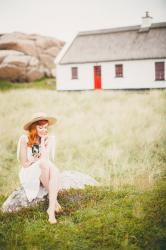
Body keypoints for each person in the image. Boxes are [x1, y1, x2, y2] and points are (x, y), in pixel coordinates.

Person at [17, 111, 63, 224]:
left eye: (46, 127)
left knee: (53, 168)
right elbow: (25, 163)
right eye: (40, 127)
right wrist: (33, 159)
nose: (44, 130)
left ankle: (51, 211)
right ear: (34, 127)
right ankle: (54, 201)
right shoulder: (25, 139)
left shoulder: (49, 138)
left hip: (44, 168)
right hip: (30, 169)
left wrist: (42, 142)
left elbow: (45, 159)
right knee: (43, 164)